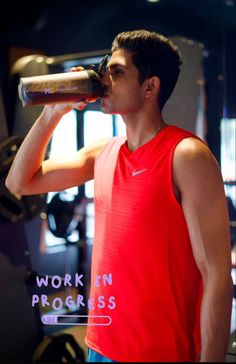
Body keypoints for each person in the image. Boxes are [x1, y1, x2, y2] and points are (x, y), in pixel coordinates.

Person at [5, 29, 233, 362]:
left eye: (117, 71)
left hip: (158, 352)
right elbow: (19, 182)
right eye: (105, 69)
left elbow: (216, 275)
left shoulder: (185, 155)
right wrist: (53, 114)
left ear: (150, 87)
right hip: (100, 344)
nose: (103, 80)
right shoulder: (103, 152)